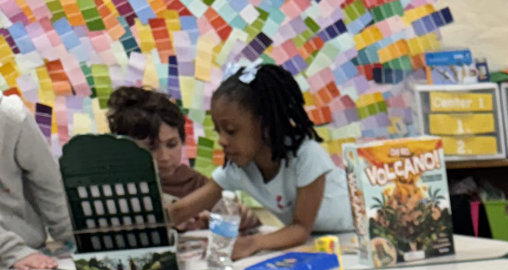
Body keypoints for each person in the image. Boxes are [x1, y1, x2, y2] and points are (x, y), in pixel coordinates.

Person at [167, 62, 350, 258]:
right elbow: (181, 210)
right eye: (218, 131)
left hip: (354, 233)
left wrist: (251, 243)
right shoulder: (239, 169)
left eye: (230, 131)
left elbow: (300, 228)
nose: (221, 141)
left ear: (265, 124)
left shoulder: (306, 156)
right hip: (319, 242)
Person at [104, 87, 258, 235]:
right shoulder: (111, 190)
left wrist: (241, 218)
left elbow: (241, 220)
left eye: (172, 144)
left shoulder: (197, 184)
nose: (164, 157)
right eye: (151, 148)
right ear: (125, 150)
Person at [0, 92, 71, 270]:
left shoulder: (11, 115)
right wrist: (11, 250)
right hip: (16, 253)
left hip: (28, 253)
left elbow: (48, 182)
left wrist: (74, 239)